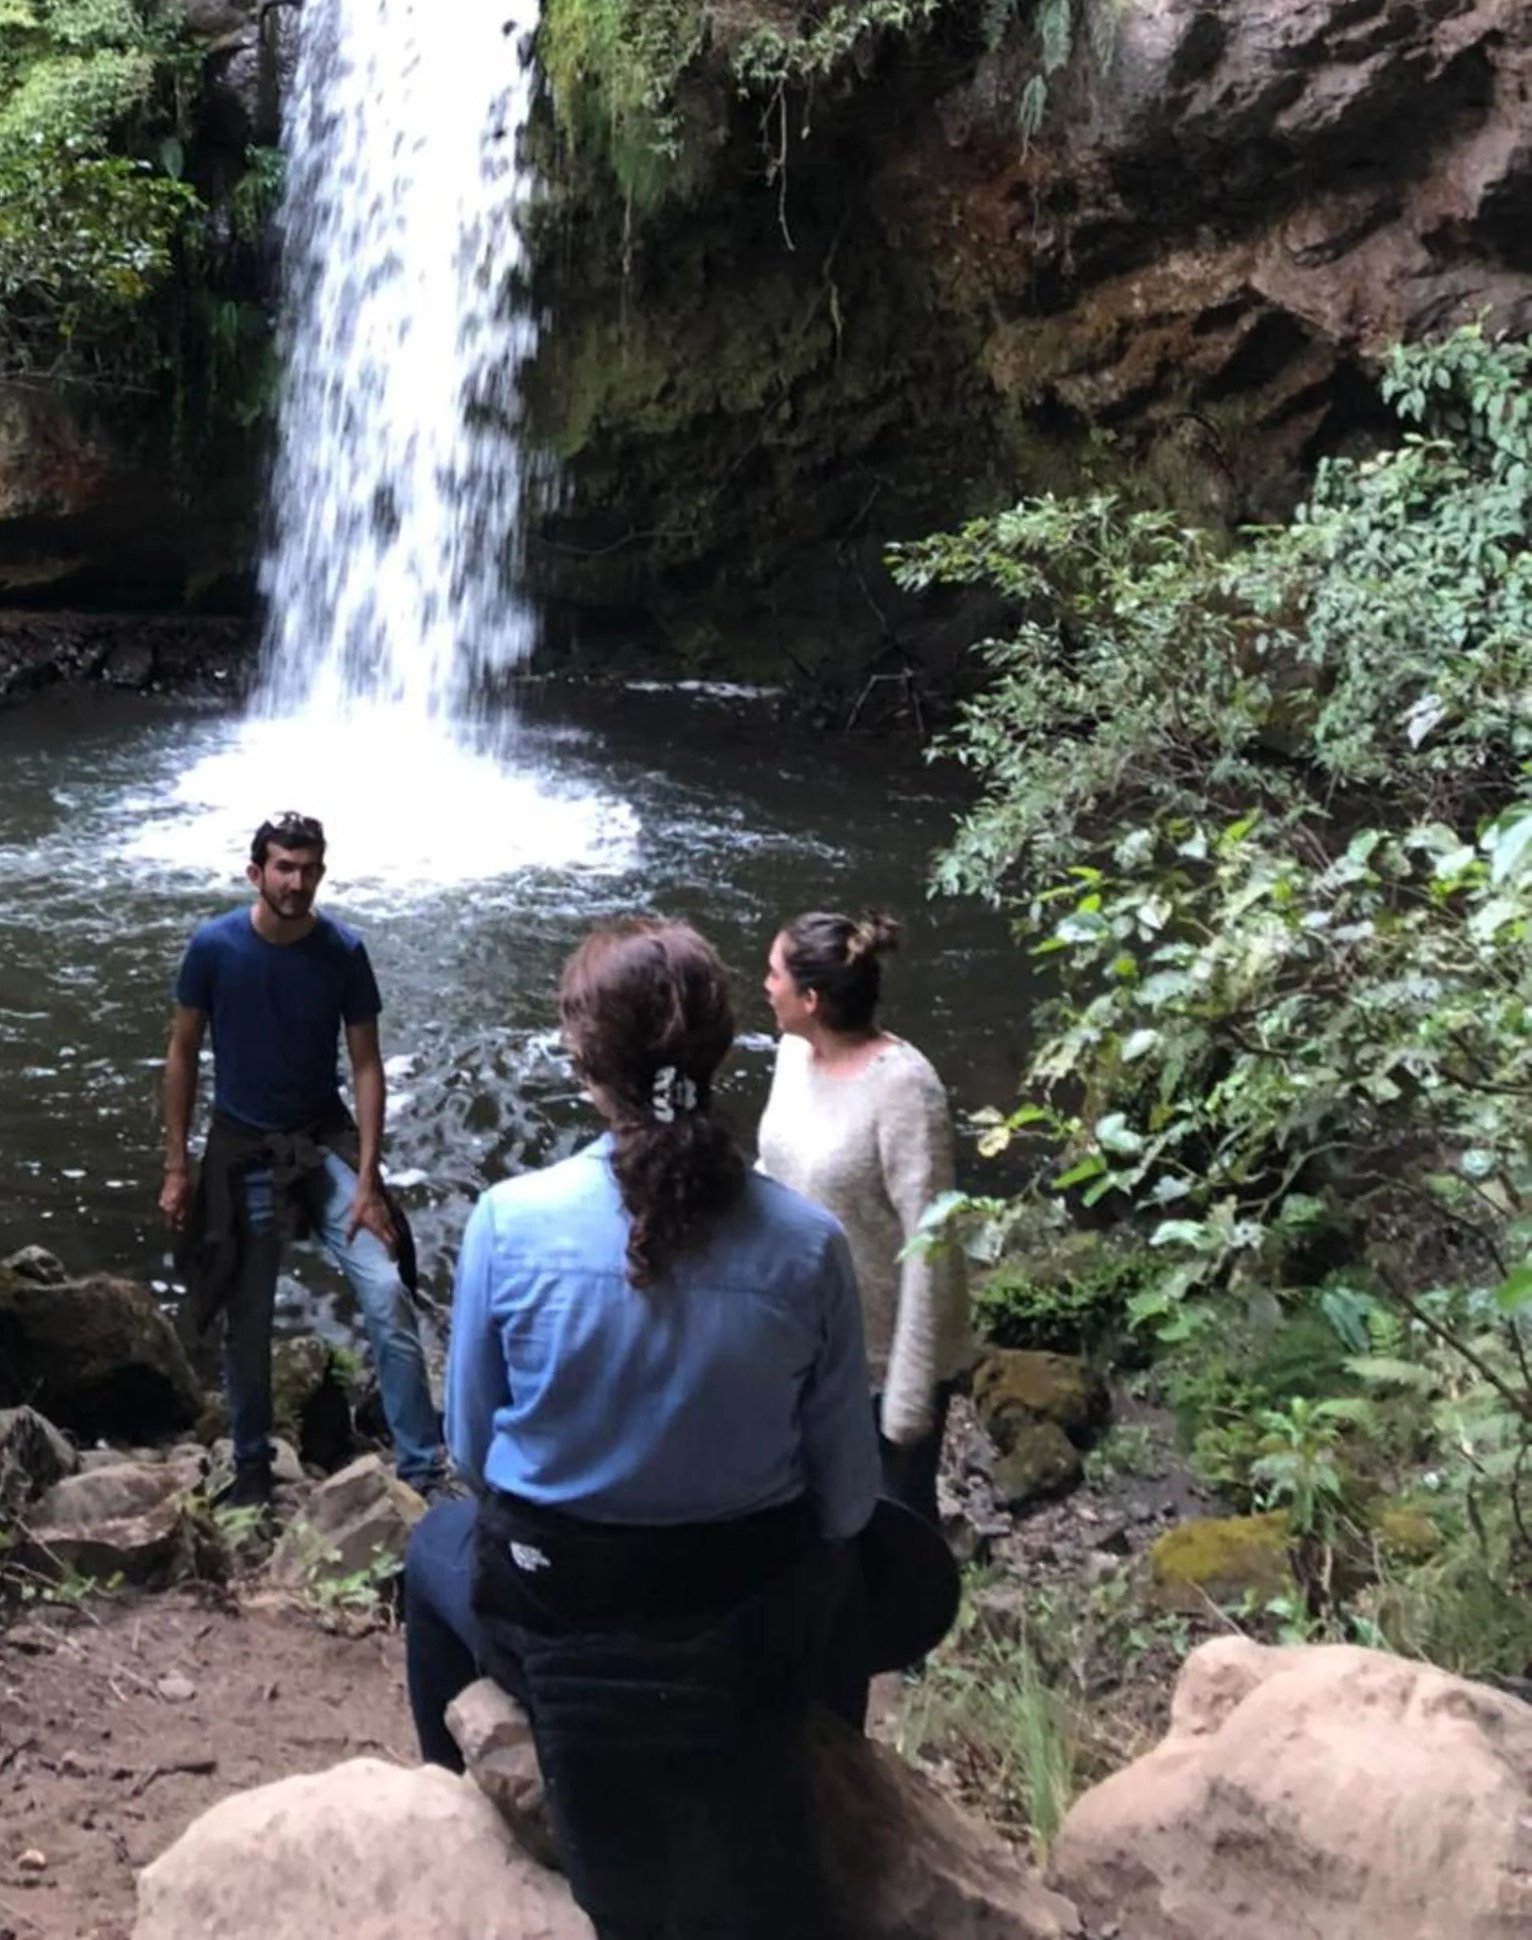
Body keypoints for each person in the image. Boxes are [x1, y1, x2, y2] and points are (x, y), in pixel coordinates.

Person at [402, 917, 880, 1940]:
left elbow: (476, 1457)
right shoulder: (807, 1248)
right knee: (852, 1562)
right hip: (739, 1629)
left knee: (431, 1547)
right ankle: (819, 1763)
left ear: (585, 1063)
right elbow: (845, 1500)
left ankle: (461, 1813)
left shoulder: (509, 1222)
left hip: (558, 1618)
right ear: (718, 1057)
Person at [160, 810, 445, 1505]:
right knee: (247, 1308)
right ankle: (252, 1467)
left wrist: (369, 1181)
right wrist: (176, 1166)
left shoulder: (342, 952)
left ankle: (422, 1474)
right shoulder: (214, 948)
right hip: (242, 1144)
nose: (298, 882)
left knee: (383, 1288)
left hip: (322, 1142)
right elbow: (182, 1053)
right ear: (256, 872)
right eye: (284, 868)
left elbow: (368, 1065)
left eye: (309, 868)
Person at [757, 909, 977, 1529]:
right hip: (806, 1338)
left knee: (896, 1526)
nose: (763, 985)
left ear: (810, 997)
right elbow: (774, 1168)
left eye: (773, 974)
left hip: (886, 1353)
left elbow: (931, 1247)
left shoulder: (906, 1091)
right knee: (813, 1515)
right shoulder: (790, 1057)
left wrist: (908, 1397)